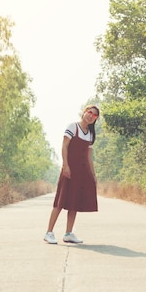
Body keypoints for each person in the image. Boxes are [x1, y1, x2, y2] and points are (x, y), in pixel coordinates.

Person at [44, 104, 100, 244]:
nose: (91, 116)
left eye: (94, 115)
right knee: (60, 201)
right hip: (69, 170)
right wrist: (65, 165)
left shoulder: (91, 134)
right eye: (89, 112)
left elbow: (88, 157)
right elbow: (64, 146)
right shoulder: (72, 127)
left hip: (82, 172)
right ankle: (49, 232)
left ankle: (68, 233)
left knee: (74, 202)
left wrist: (93, 175)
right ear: (84, 112)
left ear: (95, 119)